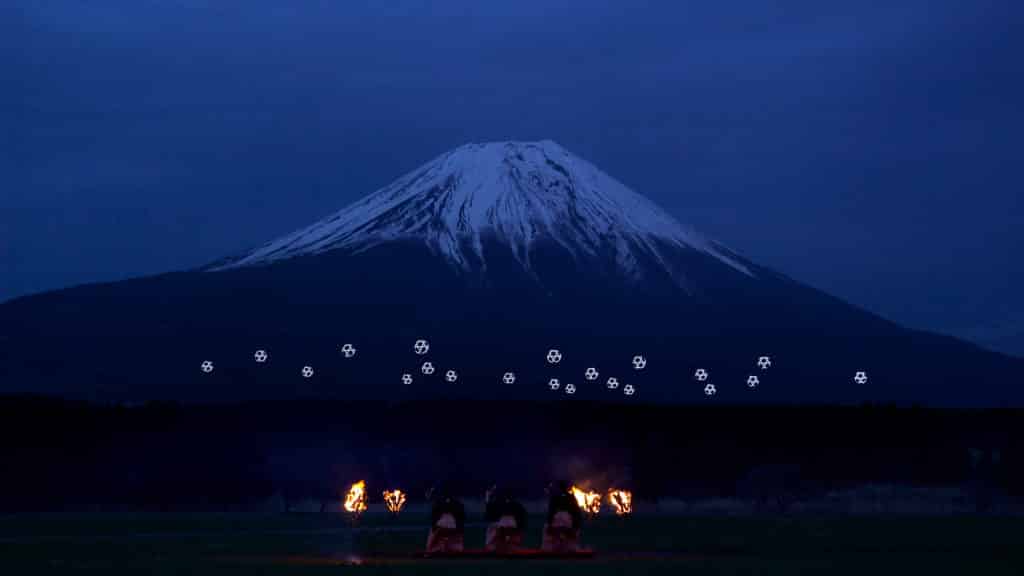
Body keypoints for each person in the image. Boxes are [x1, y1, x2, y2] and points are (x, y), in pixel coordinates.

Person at [483, 484, 528, 552]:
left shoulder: (499, 503)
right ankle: (509, 545)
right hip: (513, 529)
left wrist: (487, 497)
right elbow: (523, 518)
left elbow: (489, 514)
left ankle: (495, 546)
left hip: (504, 530)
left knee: (492, 529)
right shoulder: (517, 505)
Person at [541, 480, 583, 552]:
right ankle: (568, 547)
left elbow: (551, 513)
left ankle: (552, 547)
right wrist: (575, 527)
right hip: (567, 523)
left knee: (548, 541)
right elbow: (576, 513)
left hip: (559, 522)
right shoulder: (571, 498)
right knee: (570, 545)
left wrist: (549, 526)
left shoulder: (555, 498)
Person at [425, 482, 465, 553]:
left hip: (442, 527)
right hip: (453, 527)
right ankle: (443, 547)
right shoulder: (457, 503)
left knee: (432, 545)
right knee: (455, 547)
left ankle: (439, 548)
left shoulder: (439, 502)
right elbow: (461, 517)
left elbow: (434, 517)